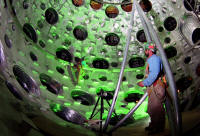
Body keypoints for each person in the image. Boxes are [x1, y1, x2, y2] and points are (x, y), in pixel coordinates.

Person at [137, 42, 166, 135]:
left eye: (145, 49)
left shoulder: (153, 59)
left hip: (156, 86)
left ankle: (158, 128)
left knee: (156, 108)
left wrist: (144, 83)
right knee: (152, 108)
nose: (145, 51)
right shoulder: (152, 59)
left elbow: (154, 73)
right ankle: (153, 124)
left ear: (148, 50)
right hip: (153, 87)